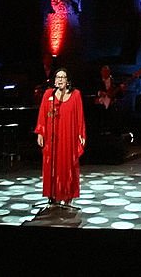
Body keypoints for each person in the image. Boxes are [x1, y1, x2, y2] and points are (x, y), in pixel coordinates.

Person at [35, 68, 86, 207]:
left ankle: (67, 195)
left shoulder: (76, 95)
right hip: (52, 138)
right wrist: (40, 132)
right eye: (58, 77)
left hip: (68, 137)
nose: (60, 79)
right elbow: (42, 114)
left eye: (63, 77)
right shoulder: (48, 95)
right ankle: (53, 194)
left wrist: (81, 135)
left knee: (67, 164)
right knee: (52, 165)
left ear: (68, 80)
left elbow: (80, 116)